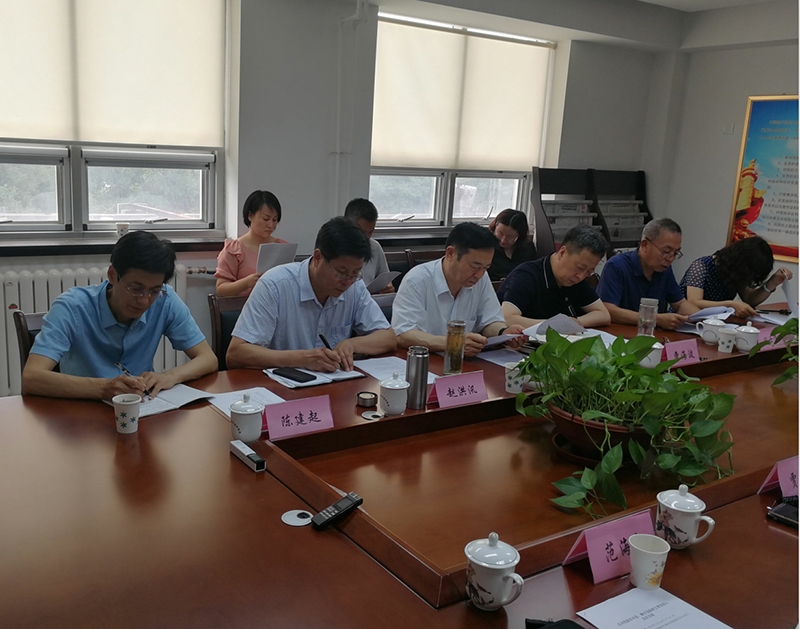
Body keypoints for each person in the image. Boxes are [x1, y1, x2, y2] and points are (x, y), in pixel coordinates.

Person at [22, 231, 218, 399]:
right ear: (112, 275)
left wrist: (170, 376)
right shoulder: (72, 307)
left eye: (154, 290)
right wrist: (104, 388)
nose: (144, 301)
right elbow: (31, 378)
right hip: (81, 412)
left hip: (141, 409)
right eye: (136, 289)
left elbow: (208, 359)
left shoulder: (165, 300)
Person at [226, 217, 397, 372]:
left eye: (355, 273)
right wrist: (302, 359)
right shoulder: (275, 285)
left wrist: (351, 344)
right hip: (281, 388)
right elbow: (236, 354)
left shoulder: (355, 287)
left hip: (334, 386)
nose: (347, 281)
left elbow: (388, 337)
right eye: (341, 272)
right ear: (317, 257)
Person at [391, 222, 526, 356]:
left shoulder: (481, 278)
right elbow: (403, 335)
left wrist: (503, 332)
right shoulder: (417, 280)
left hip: (465, 361)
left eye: (486, 267)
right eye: (475, 266)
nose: (479, 275)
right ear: (450, 253)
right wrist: (453, 343)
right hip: (426, 360)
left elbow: (489, 321)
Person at [498, 225, 611, 329]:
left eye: (589, 272)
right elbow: (507, 318)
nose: (581, 276)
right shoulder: (526, 276)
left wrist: (573, 322)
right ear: (562, 252)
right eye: (580, 267)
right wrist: (555, 325)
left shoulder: (575, 279)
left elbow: (604, 315)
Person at [597, 218, 699, 330]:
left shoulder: (664, 270)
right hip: (619, 334)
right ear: (645, 245)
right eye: (666, 251)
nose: (670, 258)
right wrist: (654, 318)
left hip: (652, 334)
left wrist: (706, 319)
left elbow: (680, 304)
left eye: (676, 253)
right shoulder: (617, 266)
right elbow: (608, 309)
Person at [680, 236, 793, 318]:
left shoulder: (736, 272)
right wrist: (730, 304)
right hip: (684, 321)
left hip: (715, 322)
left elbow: (750, 300)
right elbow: (694, 302)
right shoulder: (701, 266)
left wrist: (773, 282)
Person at [215, 190, 289, 297]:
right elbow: (221, 289)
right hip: (244, 305)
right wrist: (246, 283)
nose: (271, 225)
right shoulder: (234, 250)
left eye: (275, 220)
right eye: (266, 219)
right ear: (250, 216)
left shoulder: (282, 247)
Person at [344, 197, 393, 293]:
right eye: (362, 232)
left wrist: (388, 288)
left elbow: (386, 280)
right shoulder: (336, 248)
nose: (366, 237)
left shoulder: (374, 246)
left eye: (371, 232)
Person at [487, 209, 537, 281]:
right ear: (495, 227)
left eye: (510, 237)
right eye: (500, 233)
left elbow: (533, 273)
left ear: (520, 236)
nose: (503, 240)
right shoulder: (486, 246)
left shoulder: (527, 248)